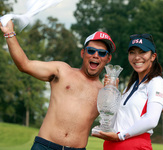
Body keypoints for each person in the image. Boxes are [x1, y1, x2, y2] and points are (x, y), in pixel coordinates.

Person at [0, 20, 116, 150]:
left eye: (102, 53)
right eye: (91, 50)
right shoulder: (62, 70)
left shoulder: (105, 92)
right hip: (44, 146)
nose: (96, 55)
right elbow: (24, 65)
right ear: (83, 53)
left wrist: (112, 91)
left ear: (108, 59)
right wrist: (9, 33)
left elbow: (112, 125)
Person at [92, 33, 163, 150]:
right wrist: (112, 92)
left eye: (142, 52)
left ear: (153, 56)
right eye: (132, 52)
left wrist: (120, 136)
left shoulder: (156, 82)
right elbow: (117, 121)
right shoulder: (131, 86)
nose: (136, 57)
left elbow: (151, 120)